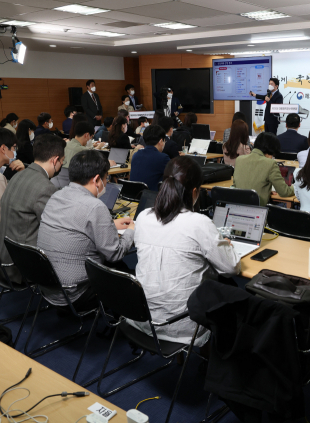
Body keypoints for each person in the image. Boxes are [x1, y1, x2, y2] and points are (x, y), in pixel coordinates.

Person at [128, 156, 240, 346]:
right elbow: (231, 268)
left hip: (142, 318)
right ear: (195, 191)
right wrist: (226, 245)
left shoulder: (144, 217)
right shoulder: (199, 223)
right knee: (231, 289)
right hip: (184, 325)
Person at [37, 150, 135, 308]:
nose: (106, 182)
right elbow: (115, 254)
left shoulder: (57, 196)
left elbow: (75, 225)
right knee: (125, 273)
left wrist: (109, 224)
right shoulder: (95, 206)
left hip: (48, 285)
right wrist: (131, 230)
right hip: (75, 293)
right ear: (97, 179)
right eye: (106, 178)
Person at [0, 135, 66, 283]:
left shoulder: (18, 176)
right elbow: (57, 229)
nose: (61, 167)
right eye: (62, 162)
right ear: (55, 160)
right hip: (20, 268)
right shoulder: (45, 187)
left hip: (1, 259)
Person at [233, 132, 294, 206]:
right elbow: (284, 192)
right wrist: (296, 188)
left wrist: (266, 191)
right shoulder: (270, 163)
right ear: (271, 149)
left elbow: (238, 185)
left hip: (238, 207)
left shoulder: (239, 159)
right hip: (258, 210)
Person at [128, 125, 170, 191]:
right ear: (161, 141)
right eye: (164, 141)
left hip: (133, 196)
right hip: (151, 198)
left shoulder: (136, 155)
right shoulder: (163, 158)